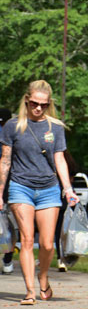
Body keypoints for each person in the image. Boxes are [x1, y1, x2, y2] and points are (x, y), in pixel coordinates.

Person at [0, 80, 79, 305]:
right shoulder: (13, 126)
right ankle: (30, 291)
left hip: (48, 189)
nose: (38, 108)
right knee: (26, 240)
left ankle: (43, 277)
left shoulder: (55, 127)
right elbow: (5, 160)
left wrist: (68, 189)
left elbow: (59, 158)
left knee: (46, 244)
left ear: (48, 104)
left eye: (43, 105)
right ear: (26, 100)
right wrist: (0, 192)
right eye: (34, 103)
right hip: (20, 187)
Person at [0, 108, 17, 275]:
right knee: (11, 226)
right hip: (13, 185)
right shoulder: (12, 132)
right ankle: (8, 259)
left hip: (5, 185)